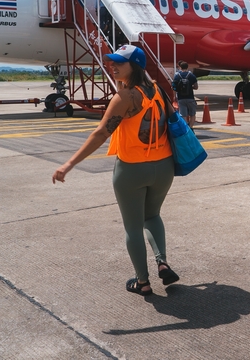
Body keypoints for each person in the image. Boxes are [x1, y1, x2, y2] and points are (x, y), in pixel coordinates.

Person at [52, 44, 180, 296]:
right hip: (164, 166)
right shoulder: (155, 89)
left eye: (119, 63)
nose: (112, 65)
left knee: (133, 227)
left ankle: (142, 282)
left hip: (132, 169)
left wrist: (69, 164)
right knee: (152, 215)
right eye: (112, 61)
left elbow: (101, 132)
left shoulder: (125, 98)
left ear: (135, 66)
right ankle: (162, 262)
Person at [173, 61, 199, 126]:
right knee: (192, 114)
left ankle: (186, 129)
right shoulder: (191, 75)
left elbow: (173, 87)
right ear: (187, 67)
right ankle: (191, 128)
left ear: (180, 67)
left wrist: (174, 96)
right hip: (190, 97)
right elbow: (196, 87)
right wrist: (190, 87)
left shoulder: (177, 76)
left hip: (181, 98)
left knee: (183, 115)